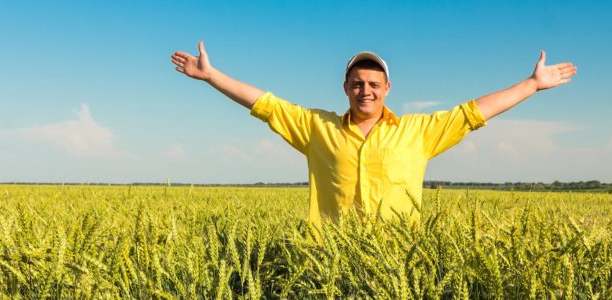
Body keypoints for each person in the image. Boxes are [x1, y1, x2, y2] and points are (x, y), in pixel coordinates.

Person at [171, 42, 576, 229]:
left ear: (387, 89)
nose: (366, 90)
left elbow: (473, 112)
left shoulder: (418, 132)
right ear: (345, 88)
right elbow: (266, 104)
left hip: (397, 264)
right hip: (326, 261)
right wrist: (211, 77)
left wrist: (531, 85)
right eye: (358, 83)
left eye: (374, 84)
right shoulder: (318, 128)